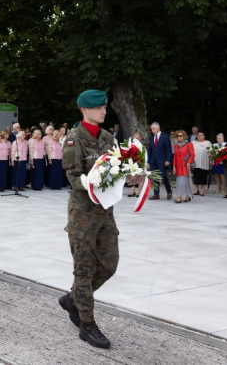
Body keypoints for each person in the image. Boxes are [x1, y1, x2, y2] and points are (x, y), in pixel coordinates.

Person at [59, 89, 138, 349]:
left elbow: (117, 170)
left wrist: (131, 177)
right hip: (83, 215)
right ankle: (87, 324)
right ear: (84, 109)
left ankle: (73, 299)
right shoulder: (74, 140)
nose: (104, 111)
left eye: (105, 107)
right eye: (99, 107)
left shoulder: (108, 138)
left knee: (109, 265)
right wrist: (95, 180)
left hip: (105, 213)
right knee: (84, 270)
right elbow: (73, 178)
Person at [147, 122, 173, 200]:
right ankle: (156, 194)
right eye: (151, 129)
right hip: (153, 160)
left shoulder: (165, 136)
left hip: (162, 160)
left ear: (158, 128)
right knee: (154, 177)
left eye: (153, 128)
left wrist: (168, 160)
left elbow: (169, 149)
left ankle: (169, 190)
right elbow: (150, 150)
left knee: (163, 176)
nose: (152, 130)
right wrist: (148, 161)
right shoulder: (152, 137)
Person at [173, 130, 194, 203]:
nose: (179, 137)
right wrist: (174, 166)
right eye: (177, 136)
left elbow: (192, 155)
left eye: (180, 136)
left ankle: (180, 197)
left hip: (185, 165)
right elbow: (175, 156)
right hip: (178, 166)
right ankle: (188, 196)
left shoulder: (189, 144)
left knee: (182, 181)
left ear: (184, 136)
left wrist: (189, 163)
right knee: (184, 181)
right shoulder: (176, 146)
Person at [191, 132, 212, 196]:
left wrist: (211, 161)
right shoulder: (193, 143)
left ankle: (203, 189)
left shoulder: (208, 143)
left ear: (204, 136)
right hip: (195, 162)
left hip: (204, 162)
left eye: (201, 135)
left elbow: (211, 153)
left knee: (203, 176)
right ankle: (196, 189)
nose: (199, 136)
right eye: (198, 135)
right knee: (195, 175)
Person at [128, 131, 148, 197]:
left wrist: (145, 163)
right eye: (135, 138)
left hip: (141, 162)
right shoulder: (132, 145)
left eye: (138, 138)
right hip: (133, 163)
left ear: (141, 138)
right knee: (132, 176)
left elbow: (145, 156)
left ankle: (139, 191)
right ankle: (132, 190)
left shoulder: (143, 146)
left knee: (141, 177)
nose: (136, 140)